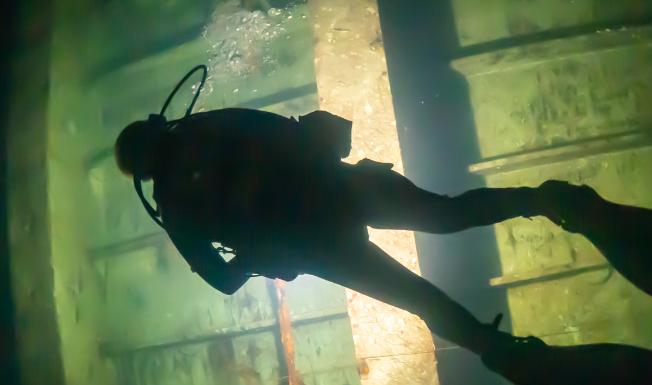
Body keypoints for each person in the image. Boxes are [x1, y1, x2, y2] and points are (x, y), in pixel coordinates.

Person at [114, 106, 592, 357]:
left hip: (320, 244)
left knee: (419, 294)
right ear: (159, 131)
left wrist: (257, 253)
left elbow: (222, 280)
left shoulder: (176, 208)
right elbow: (282, 130)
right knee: (446, 216)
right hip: (337, 193)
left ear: (143, 174)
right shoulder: (201, 130)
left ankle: (498, 349)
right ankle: (540, 201)